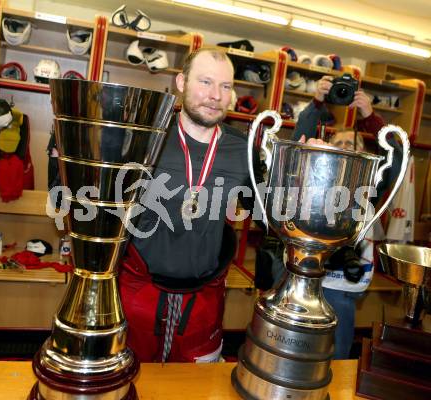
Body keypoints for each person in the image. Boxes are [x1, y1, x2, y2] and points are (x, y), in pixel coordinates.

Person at [119, 48, 261, 363]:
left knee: (195, 391)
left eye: (225, 86)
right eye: (206, 82)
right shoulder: (148, 136)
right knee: (129, 384)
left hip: (203, 302)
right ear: (181, 82)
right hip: (138, 294)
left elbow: (271, 211)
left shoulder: (244, 149)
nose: (215, 95)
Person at [293, 75, 402, 359]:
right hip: (316, 282)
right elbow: (298, 143)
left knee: (337, 358)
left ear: (366, 155)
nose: (343, 147)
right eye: (337, 142)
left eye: (351, 144)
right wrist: (317, 103)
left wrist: (370, 117)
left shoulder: (370, 186)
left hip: (346, 290)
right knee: (305, 355)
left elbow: (398, 156)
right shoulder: (317, 178)